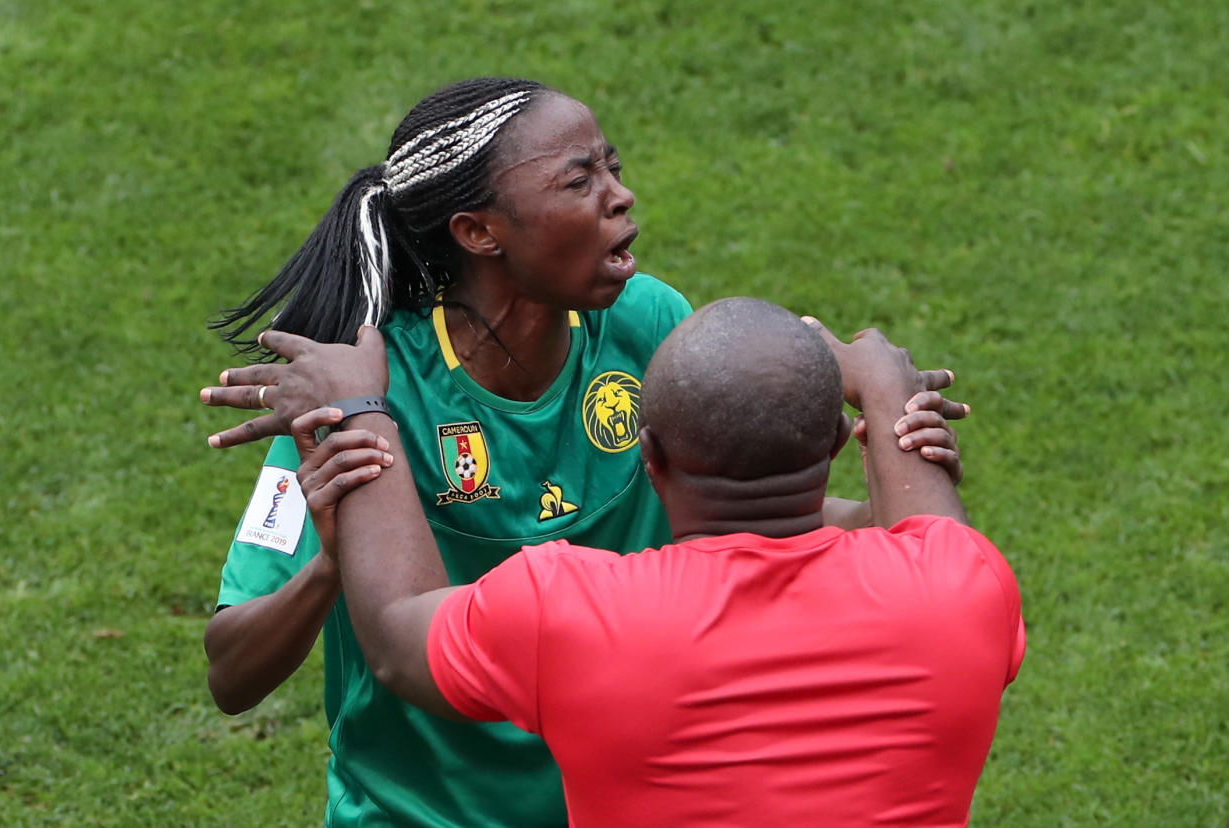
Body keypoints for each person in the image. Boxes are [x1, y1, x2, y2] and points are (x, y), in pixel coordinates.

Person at [200, 77, 969, 826]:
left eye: (613, 168)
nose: (619, 195)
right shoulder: (365, 389)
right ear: (479, 231)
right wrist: (341, 563)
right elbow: (232, 672)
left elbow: (744, 513)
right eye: (578, 180)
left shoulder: (647, 322)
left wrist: (893, 498)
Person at [262, 298, 1025, 827]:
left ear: (649, 457)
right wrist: (888, 391)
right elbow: (929, 516)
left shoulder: (570, 609)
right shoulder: (963, 589)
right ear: (833, 444)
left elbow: (397, 635)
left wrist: (360, 410)